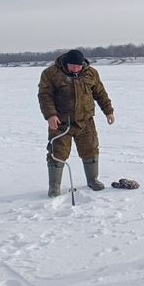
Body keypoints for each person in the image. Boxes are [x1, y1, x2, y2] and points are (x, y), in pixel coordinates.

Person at [38, 49, 115, 197]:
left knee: (91, 149)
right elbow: (44, 96)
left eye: (79, 66)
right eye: (73, 66)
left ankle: (93, 180)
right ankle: (54, 186)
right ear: (66, 63)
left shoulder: (90, 73)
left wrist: (108, 111)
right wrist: (50, 115)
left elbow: (100, 93)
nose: (76, 69)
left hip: (85, 121)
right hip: (61, 122)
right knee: (57, 153)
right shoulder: (51, 73)